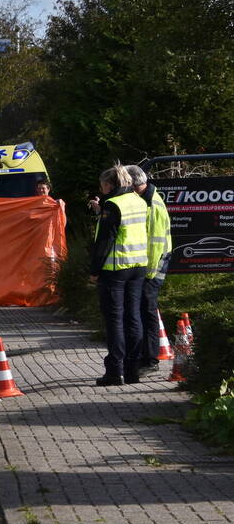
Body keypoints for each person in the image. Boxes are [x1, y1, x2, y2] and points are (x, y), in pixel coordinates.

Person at [89, 163, 148, 386]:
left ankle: (115, 370)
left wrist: (94, 271)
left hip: (115, 270)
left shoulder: (113, 205)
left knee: (115, 320)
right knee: (133, 317)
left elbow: (104, 242)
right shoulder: (138, 200)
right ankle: (133, 370)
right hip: (138, 266)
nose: (101, 190)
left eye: (102, 186)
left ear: (108, 184)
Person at [127, 165, 172, 376]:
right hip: (150, 263)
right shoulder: (145, 198)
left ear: (134, 184)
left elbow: (155, 242)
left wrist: (150, 273)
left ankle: (150, 359)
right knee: (144, 309)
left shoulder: (152, 205)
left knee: (147, 308)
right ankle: (145, 357)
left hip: (154, 264)